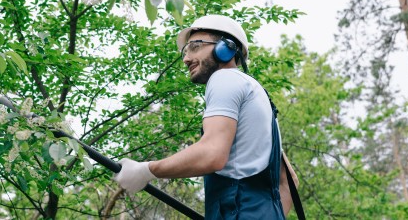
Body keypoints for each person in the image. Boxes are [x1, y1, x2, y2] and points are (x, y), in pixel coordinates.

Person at [113, 15, 287, 219]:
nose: (186, 59)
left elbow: (212, 153)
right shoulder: (263, 103)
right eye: (185, 51)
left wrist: (147, 170)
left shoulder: (225, 78)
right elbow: (288, 182)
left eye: (195, 47)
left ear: (226, 48)